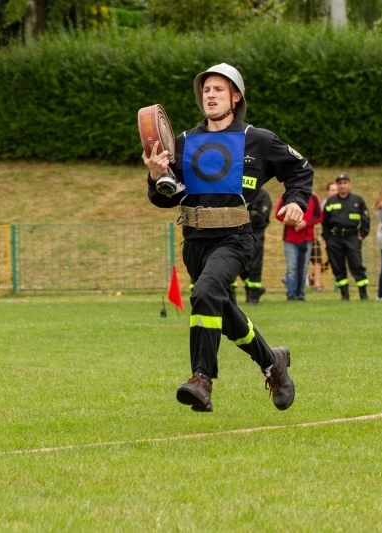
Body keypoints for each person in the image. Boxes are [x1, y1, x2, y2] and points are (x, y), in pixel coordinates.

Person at [143, 63, 311, 412]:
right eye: (206, 90)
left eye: (219, 89)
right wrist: (155, 175)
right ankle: (273, 363)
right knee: (221, 308)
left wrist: (296, 201)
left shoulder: (258, 139)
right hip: (194, 242)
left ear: (235, 97)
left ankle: (201, 380)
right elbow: (164, 197)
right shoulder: (182, 143)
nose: (210, 95)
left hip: (235, 238)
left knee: (205, 293)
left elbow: (300, 169)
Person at [323, 173, 370, 300]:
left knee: (357, 265)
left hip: (352, 237)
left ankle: (363, 295)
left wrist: (362, 234)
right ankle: (344, 295)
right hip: (335, 239)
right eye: (340, 183)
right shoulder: (330, 201)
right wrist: (328, 238)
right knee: (338, 267)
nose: (342, 186)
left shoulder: (357, 200)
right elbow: (325, 222)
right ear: (337, 185)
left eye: (345, 183)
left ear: (350, 184)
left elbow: (366, 219)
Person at [276, 191, 322, 301]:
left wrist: (305, 223)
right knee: (292, 267)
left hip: (307, 238)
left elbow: (319, 216)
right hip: (290, 239)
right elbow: (278, 214)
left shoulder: (314, 198)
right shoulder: (286, 197)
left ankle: (300, 293)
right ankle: (291, 293)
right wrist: (294, 222)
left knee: (304, 267)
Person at [240, 188, 271, 305]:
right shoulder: (243, 193)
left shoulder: (263, 196)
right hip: (241, 232)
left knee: (255, 265)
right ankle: (253, 289)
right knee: (240, 263)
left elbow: (261, 216)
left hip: (257, 233)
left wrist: (246, 216)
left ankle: (253, 296)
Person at [308, 181, 338, 292]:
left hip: (335, 238)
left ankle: (312, 277)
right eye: (333, 190)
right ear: (328, 192)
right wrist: (323, 239)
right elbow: (320, 222)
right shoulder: (325, 204)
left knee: (331, 260)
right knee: (316, 259)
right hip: (319, 236)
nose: (335, 192)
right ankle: (314, 281)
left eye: (336, 190)